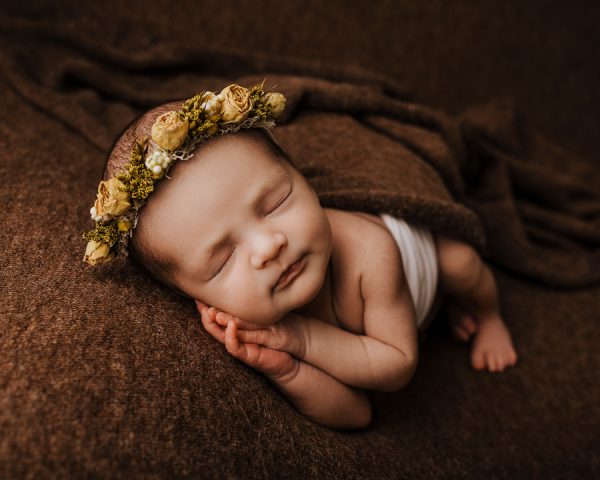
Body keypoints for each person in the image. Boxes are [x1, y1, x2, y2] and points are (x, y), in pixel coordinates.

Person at [82, 81, 517, 430]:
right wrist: (286, 369)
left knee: (459, 262)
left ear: (302, 178)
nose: (268, 246)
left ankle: (487, 313)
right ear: (195, 297)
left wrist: (301, 341)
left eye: (274, 203)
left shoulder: (372, 250)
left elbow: (397, 364)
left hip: (422, 257)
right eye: (222, 260)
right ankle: (448, 310)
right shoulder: (251, 324)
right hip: (383, 323)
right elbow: (356, 414)